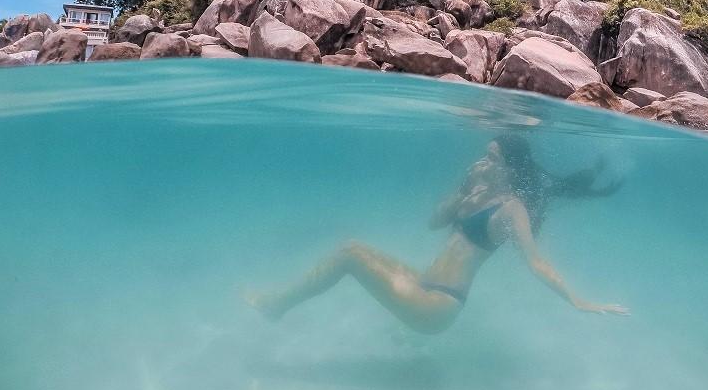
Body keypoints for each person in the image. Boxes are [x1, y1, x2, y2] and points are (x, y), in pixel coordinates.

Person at [247, 135, 629, 334]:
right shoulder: (477, 193)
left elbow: (535, 261)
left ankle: (275, 306)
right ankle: (276, 305)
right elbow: (433, 222)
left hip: (438, 304)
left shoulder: (511, 207)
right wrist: (463, 192)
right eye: (483, 154)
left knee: (349, 253)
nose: (481, 161)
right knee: (352, 247)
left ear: (509, 168)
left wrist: (577, 300)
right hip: (423, 285)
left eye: (491, 157)